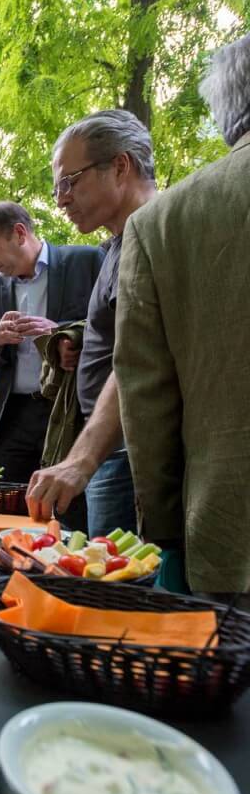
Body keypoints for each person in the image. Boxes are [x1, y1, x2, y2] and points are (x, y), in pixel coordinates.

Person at [113, 33, 250, 598]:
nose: (61, 197)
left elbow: (146, 395)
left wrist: (167, 531)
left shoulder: (164, 224)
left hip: (228, 530)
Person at [25, 110, 157, 535]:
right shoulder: (119, 244)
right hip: (113, 450)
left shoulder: (153, 236)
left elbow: (142, 356)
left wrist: (81, 460)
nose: (60, 198)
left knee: (114, 588)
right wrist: (79, 338)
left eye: (69, 181)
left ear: (120, 167)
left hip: (124, 453)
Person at [0, 202, 103, 483]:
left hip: (73, 412)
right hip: (14, 417)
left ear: (19, 233)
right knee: (8, 507)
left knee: (69, 511)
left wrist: (62, 333)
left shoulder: (87, 262)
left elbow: (116, 328)